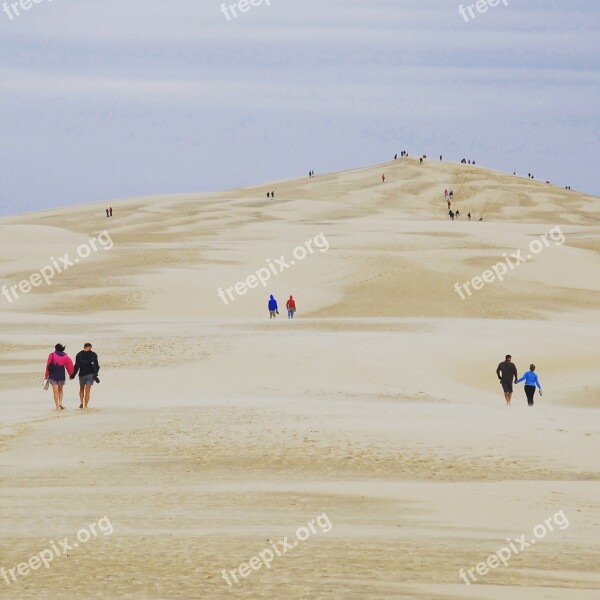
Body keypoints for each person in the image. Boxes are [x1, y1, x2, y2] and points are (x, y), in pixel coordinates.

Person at [71, 343, 101, 410]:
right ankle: (86, 405)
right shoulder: (93, 354)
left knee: (81, 389)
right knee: (88, 390)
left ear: (84, 347)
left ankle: (81, 402)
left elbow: (76, 366)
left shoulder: (79, 354)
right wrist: (96, 374)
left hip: (82, 374)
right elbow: (97, 365)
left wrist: (73, 375)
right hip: (90, 374)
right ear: (90, 347)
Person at [44, 344, 75, 410]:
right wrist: (71, 375)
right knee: (60, 390)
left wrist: (46, 375)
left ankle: (57, 406)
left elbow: (48, 365)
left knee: (55, 391)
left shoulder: (51, 355)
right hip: (61, 374)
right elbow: (70, 366)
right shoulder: (66, 357)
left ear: (55, 348)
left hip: (53, 375)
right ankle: (60, 403)